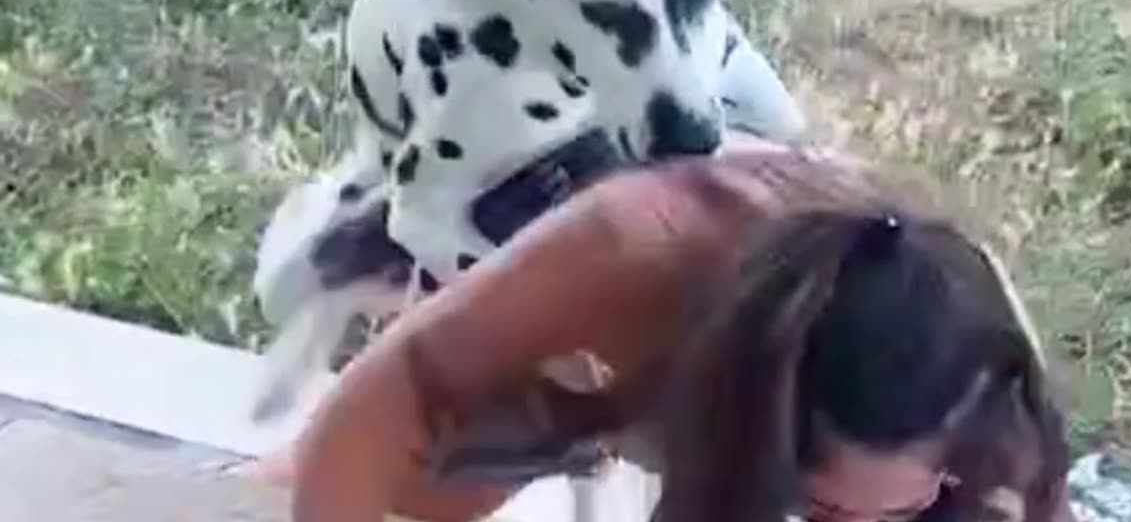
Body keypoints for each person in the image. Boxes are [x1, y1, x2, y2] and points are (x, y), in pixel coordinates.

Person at [243, 141, 1077, 522]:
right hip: (531, 166)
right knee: (429, 488)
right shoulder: (633, 251)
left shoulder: (989, 383)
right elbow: (377, 409)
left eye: (894, 514)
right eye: (819, 505)